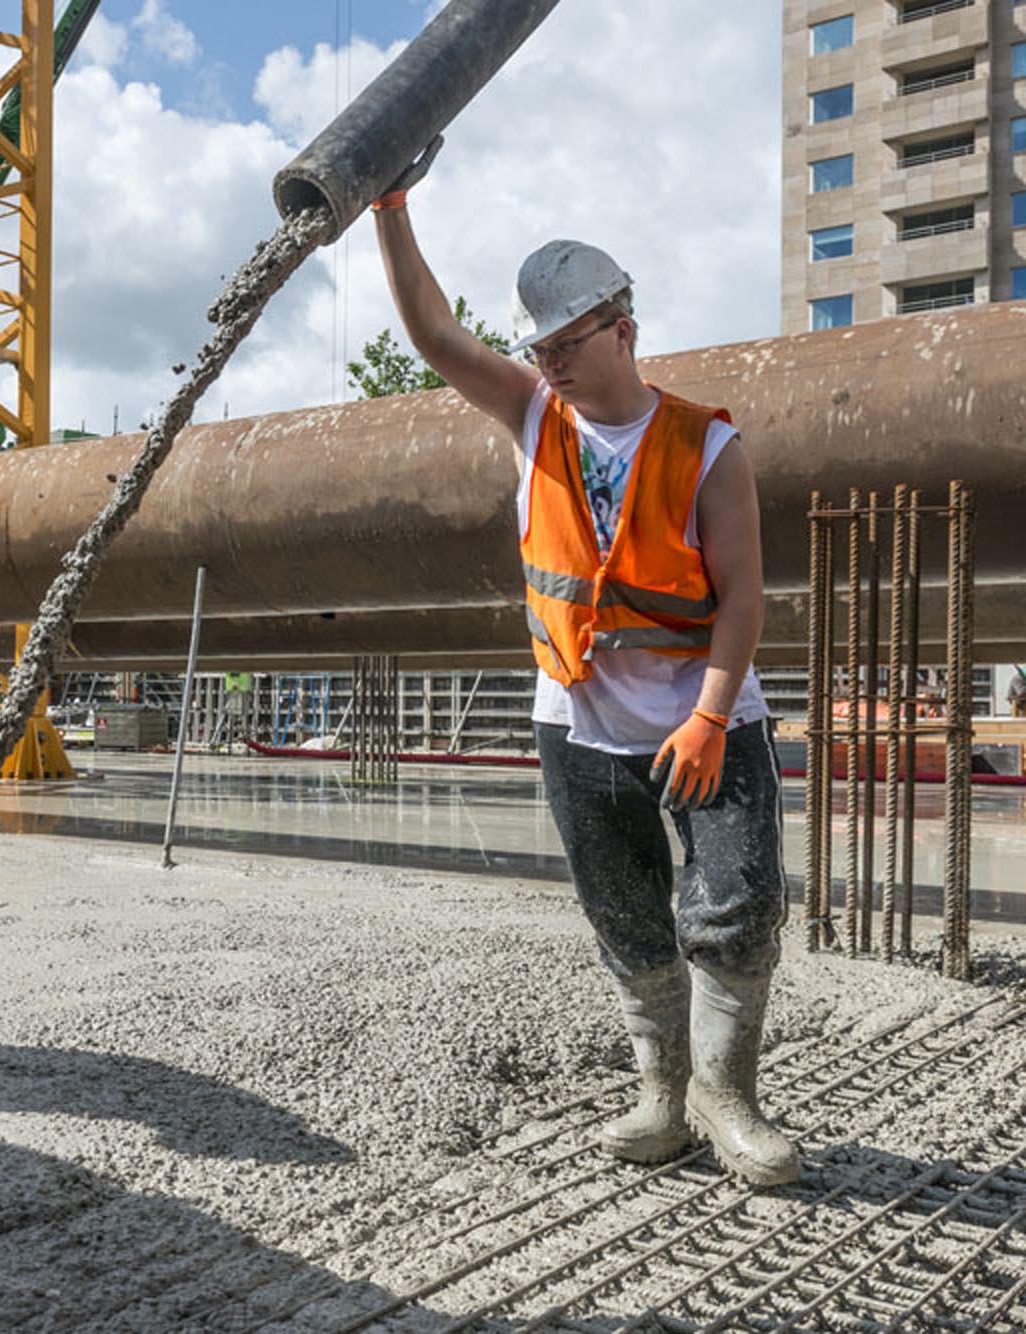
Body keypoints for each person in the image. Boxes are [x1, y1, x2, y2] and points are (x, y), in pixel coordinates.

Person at [369, 140, 797, 1186]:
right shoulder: (530, 417)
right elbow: (431, 335)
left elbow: (740, 593)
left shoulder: (705, 447)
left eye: (568, 342)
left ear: (623, 330)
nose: (551, 362)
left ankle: (725, 1095)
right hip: (578, 718)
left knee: (734, 903)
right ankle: (660, 1091)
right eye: (541, 347)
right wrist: (388, 205)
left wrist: (702, 718)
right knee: (621, 905)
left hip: (706, 714)